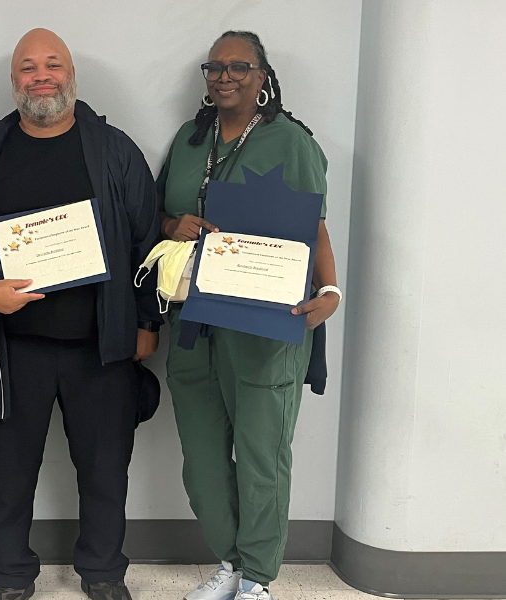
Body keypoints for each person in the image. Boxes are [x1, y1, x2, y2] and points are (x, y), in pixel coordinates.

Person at [0, 28, 162, 600]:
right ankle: (9, 578)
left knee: (106, 473)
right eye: (28, 68)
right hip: (11, 346)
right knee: (7, 480)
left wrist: (146, 324)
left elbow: (146, 242)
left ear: (72, 75)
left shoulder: (114, 150)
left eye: (52, 64)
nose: (41, 75)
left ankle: (104, 574)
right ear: (13, 83)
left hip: (101, 344)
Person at [156, 31, 341, 600]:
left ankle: (258, 578)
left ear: (263, 77)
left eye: (240, 66)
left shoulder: (291, 143)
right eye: (215, 66)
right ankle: (231, 563)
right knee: (203, 456)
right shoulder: (190, 141)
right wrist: (173, 226)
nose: (225, 75)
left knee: (261, 452)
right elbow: (163, 213)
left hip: (267, 322)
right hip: (194, 321)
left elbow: (313, 228)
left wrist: (330, 290)